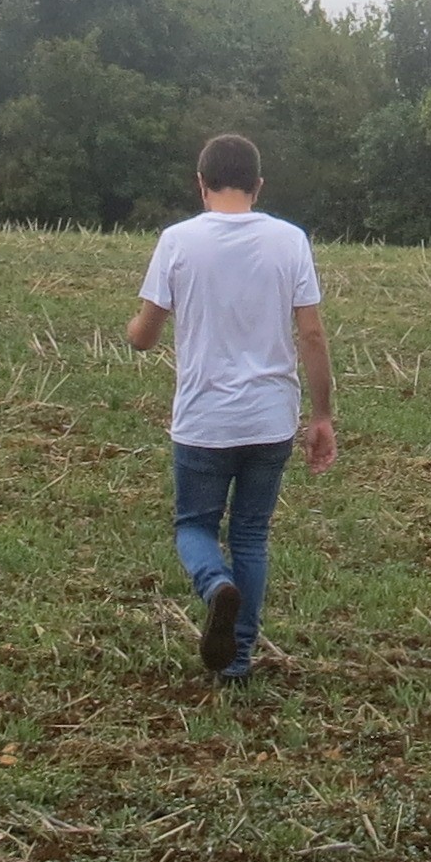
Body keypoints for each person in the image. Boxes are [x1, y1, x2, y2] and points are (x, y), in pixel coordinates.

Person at [126, 134, 337, 682]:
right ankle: (238, 661)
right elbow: (311, 335)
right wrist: (321, 416)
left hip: (203, 420)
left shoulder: (177, 241)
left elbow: (144, 337)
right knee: (249, 534)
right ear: (258, 185)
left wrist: (133, 327)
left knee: (194, 524)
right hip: (270, 419)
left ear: (201, 183)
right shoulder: (290, 241)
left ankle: (216, 586)